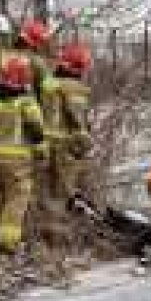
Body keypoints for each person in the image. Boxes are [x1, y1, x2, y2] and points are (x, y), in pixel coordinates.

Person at [0, 56, 46, 253]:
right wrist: (41, 149)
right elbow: (36, 130)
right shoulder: (26, 102)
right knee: (17, 198)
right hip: (17, 160)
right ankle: (7, 242)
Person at [41, 41, 93, 213]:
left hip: (40, 145)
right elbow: (78, 122)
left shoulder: (47, 83)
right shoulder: (73, 88)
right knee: (61, 196)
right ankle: (55, 232)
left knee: (44, 192)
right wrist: (86, 145)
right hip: (64, 147)